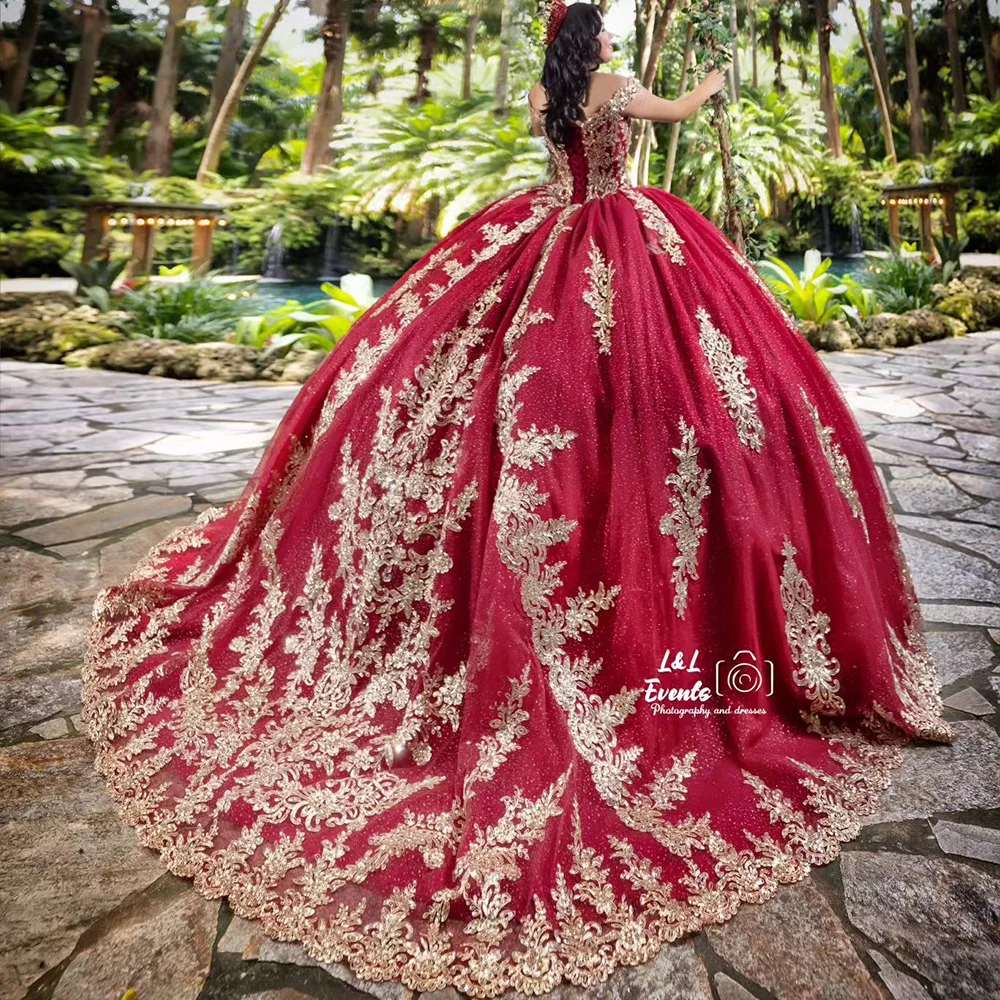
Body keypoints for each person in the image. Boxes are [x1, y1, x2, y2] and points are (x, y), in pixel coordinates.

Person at [80, 1, 955, 996]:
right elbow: (666, 110)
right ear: (597, 42)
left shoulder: (550, 93)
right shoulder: (621, 91)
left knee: (499, 401)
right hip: (617, 241)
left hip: (544, 236)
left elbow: (577, 153)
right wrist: (711, 88)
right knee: (657, 409)